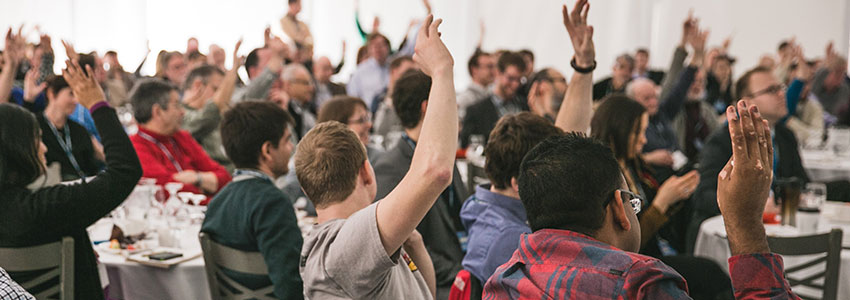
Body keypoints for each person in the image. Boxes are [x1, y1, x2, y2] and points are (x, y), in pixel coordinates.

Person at [484, 101, 799, 298]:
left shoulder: (502, 281)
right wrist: (744, 221)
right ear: (620, 208)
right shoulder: (641, 285)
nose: (644, 139)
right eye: (633, 203)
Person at [297, 15, 451, 299]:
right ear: (366, 172)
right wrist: (441, 71)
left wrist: (413, 240)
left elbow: (422, 292)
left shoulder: (358, 244)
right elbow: (435, 172)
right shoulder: (345, 246)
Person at [0, 60, 142, 300]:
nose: (44, 148)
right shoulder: (46, 208)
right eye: (37, 140)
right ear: (19, 149)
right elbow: (125, 170)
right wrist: (98, 104)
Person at [688, 66, 809, 252]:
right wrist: (751, 208)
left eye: (781, 88)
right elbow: (704, 197)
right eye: (771, 90)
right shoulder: (723, 141)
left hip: (780, 229)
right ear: (746, 102)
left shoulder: (786, 136)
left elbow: (802, 181)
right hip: (730, 239)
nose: (781, 94)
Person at [373, 68, 468, 300]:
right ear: (428, 107)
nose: (455, 113)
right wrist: (463, 273)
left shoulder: (441, 154)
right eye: (450, 103)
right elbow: (401, 246)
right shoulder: (391, 168)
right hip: (438, 282)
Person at [201, 101, 303, 299]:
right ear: (267, 151)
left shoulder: (217, 202)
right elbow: (291, 282)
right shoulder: (273, 203)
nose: (291, 148)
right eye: (287, 140)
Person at [129, 78, 231, 200]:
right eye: (176, 105)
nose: (182, 112)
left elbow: (225, 177)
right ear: (158, 112)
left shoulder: (181, 137)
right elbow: (167, 192)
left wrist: (197, 178)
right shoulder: (136, 147)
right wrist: (207, 185)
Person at [625, 26, 707, 172]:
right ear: (632, 102)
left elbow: (681, 87)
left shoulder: (661, 112)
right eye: (646, 99)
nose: (653, 102)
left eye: (654, 97)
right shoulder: (628, 126)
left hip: (683, 170)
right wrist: (648, 158)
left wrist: (697, 54)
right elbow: (621, 160)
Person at [181, 41, 242, 169]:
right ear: (198, 85)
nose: (222, 97)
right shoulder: (180, 115)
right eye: (216, 90)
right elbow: (210, 113)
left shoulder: (218, 117)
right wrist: (234, 69)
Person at [37, 75, 102, 181]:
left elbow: (92, 168)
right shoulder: (35, 127)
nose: (76, 100)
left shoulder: (80, 130)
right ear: (51, 93)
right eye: (71, 93)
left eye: (77, 95)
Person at [460, 51, 528, 148]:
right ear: (498, 73)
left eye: (519, 80)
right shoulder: (476, 111)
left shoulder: (524, 106)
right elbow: (466, 148)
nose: (515, 84)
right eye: (511, 78)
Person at [372, 56, 416, 141]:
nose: (411, 77)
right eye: (408, 72)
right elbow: (377, 131)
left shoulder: (415, 99)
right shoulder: (379, 99)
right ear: (393, 72)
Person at [811, 43, 849, 115]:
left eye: (843, 74)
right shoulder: (816, 82)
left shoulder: (844, 89)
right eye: (837, 74)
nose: (840, 79)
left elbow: (837, 114)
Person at [457, 50, 495, 118]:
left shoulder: (492, 95)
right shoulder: (464, 99)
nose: (493, 71)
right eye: (489, 66)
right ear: (474, 69)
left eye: (493, 67)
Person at [282, 64, 317, 141]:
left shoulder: (311, 107)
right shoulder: (283, 109)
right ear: (288, 85)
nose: (311, 88)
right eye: (305, 83)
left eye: (311, 83)